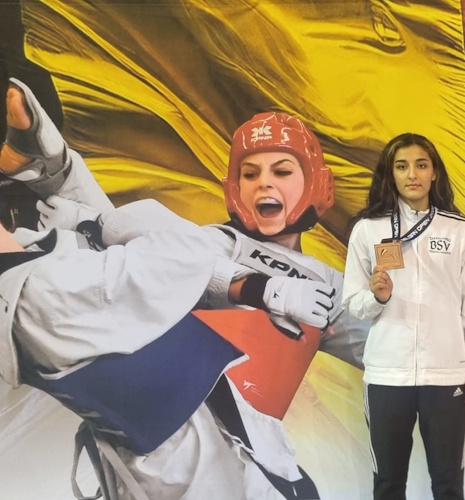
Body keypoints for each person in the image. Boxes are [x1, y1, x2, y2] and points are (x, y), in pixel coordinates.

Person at [2, 77, 369, 499]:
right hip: (165, 439)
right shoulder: (205, 241)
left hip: (239, 460)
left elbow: (396, 346)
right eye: (250, 173)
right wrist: (60, 173)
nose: (264, 183)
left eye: (282, 171)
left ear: (316, 183)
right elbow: (125, 263)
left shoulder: (327, 285)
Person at [342, 133, 465, 500]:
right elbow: (352, 303)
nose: (412, 175)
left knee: (449, 484)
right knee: (388, 484)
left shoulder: (458, 230)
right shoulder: (368, 229)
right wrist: (376, 298)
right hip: (387, 374)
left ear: (434, 172)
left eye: (421, 165)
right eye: (402, 166)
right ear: (390, 173)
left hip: (445, 374)